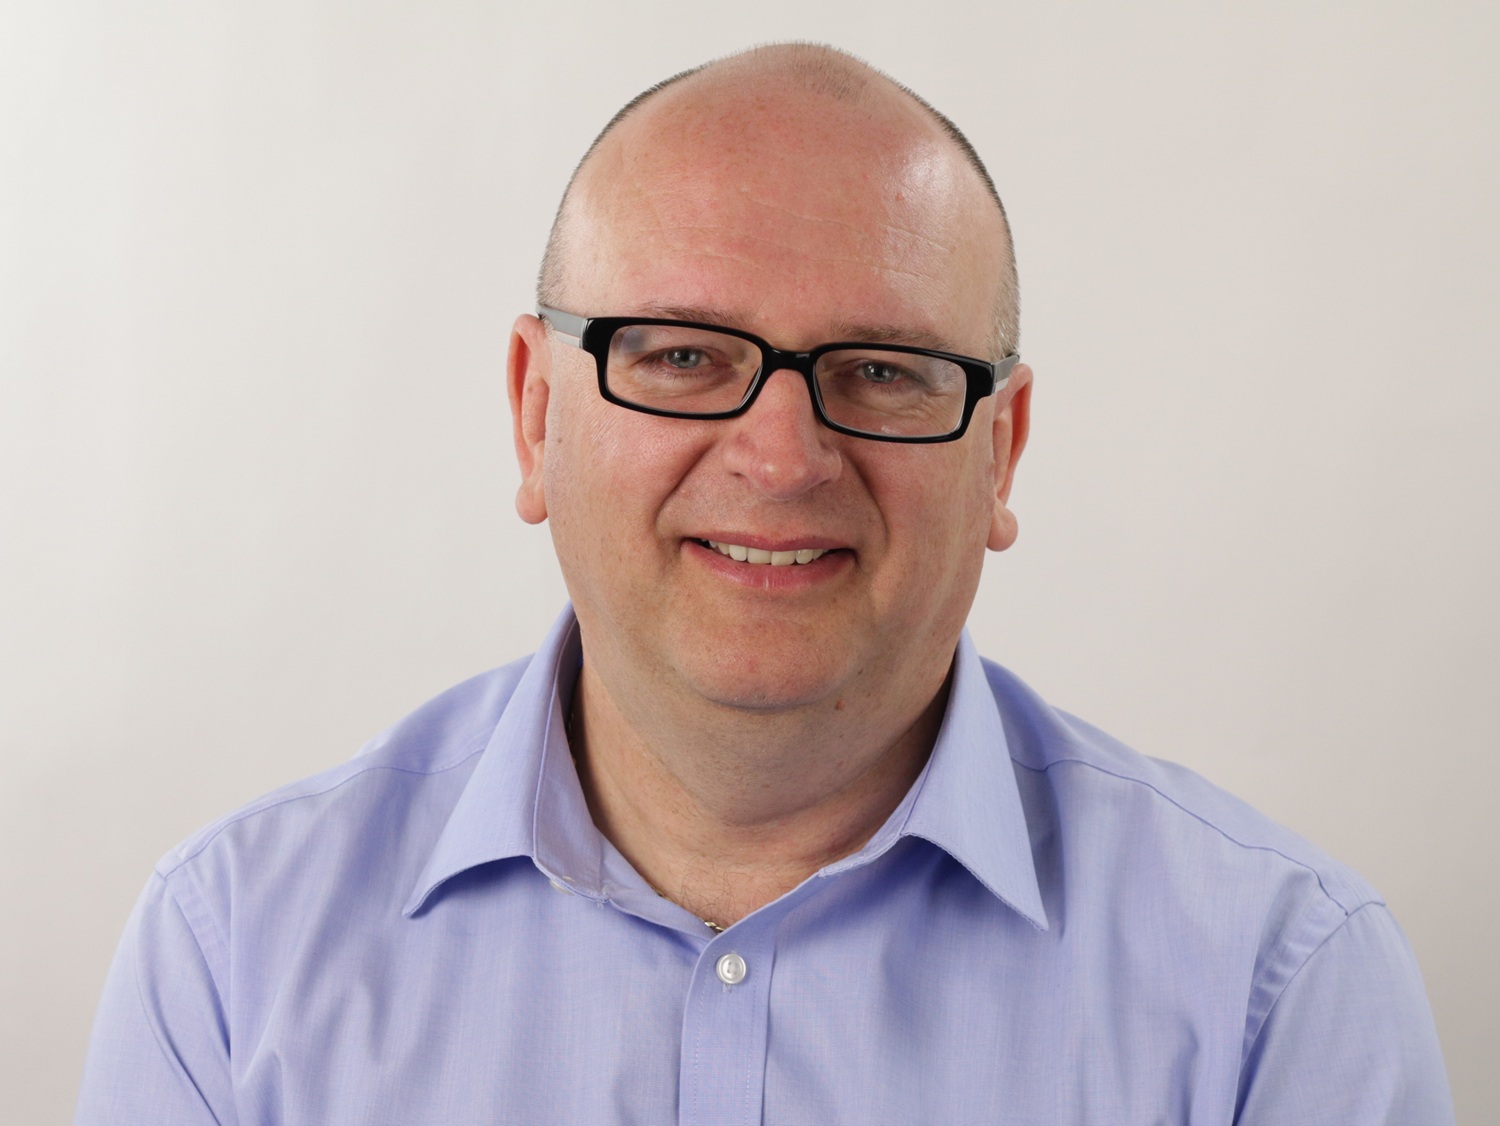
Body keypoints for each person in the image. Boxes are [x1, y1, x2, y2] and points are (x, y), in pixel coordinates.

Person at [76, 43, 1454, 1124]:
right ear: (531, 412)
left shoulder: (1278, 990)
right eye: (681, 354)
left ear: (1002, 450)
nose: (784, 455)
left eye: (884, 371)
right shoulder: (233, 959)